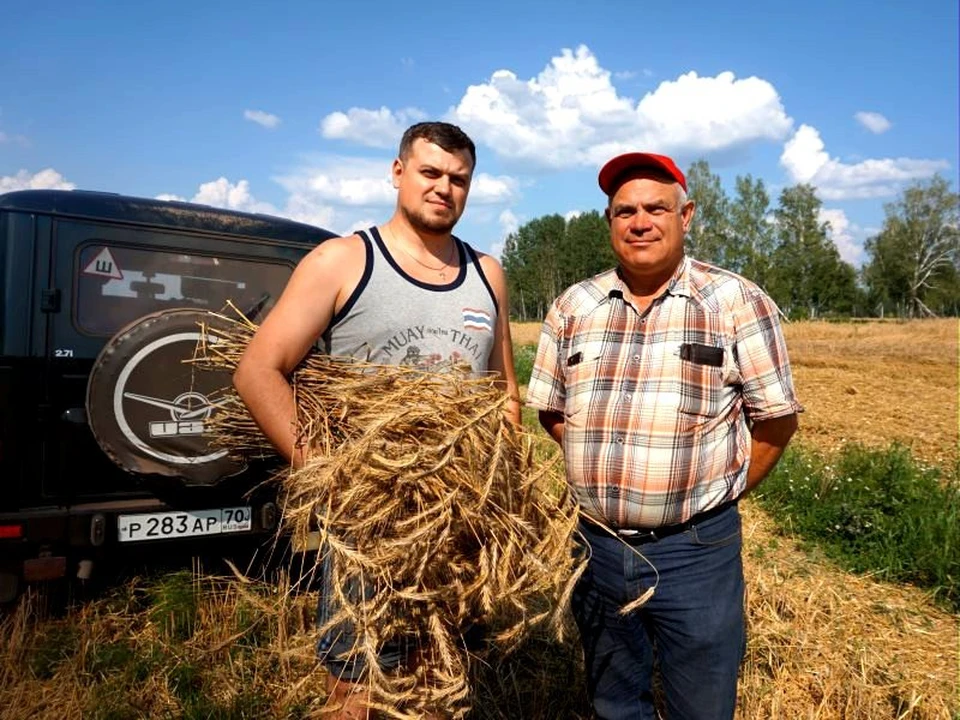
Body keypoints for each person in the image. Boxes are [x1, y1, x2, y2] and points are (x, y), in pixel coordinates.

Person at [233, 121, 521, 719]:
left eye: (459, 179)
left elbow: (503, 393)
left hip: (457, 523)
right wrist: (332, 477)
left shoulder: (487, 274)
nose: (444, 188)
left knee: (440, 675)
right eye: (431, 173)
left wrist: (504, 493)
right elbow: (258, 371)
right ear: (398, 173)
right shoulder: (343, 261)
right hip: (370, 529)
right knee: (358, 683)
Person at [525, 152, 801, 720]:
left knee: (701, 704)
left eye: (656, 207)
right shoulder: (574, 307)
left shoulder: (734, 303)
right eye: (624, 211)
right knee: (615, 701)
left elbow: (776, 421)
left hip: (696, 552)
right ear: (609, 222)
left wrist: (715, 494)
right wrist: (606, 470)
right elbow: (551, 411)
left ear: (687, 215)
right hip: (598, 547)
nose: (640, 221)